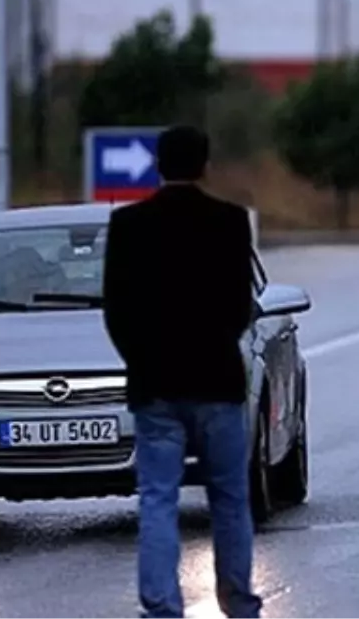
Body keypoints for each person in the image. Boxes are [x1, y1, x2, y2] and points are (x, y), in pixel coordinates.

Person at [102, 125, 262, 618]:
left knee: (157, 501)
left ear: (158, 165)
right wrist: (216, 343)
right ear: (205, 165)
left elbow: (116, 309)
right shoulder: (231, 222)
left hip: (155, 386)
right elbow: (242, 306)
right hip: (217, 381)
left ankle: (162, 608)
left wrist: (142, 359)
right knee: (230, 501)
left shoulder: (128, 225)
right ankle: (238, 603)